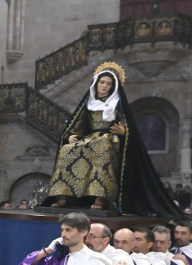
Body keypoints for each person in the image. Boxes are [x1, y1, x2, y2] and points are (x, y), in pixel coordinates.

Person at [43, 63, 178, 216]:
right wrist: (70, 135)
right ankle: (62, 197)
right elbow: (78, 122)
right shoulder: (88, 102)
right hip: (89, 139)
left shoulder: (117, 103)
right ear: (96, 83)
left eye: (109, 84)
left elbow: (127, 124)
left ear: (113, 86)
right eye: (102, 82)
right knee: (67, 149)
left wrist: (124, 131)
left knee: (101, 146)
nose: (104, 86)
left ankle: (99, 198)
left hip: (109, 139)